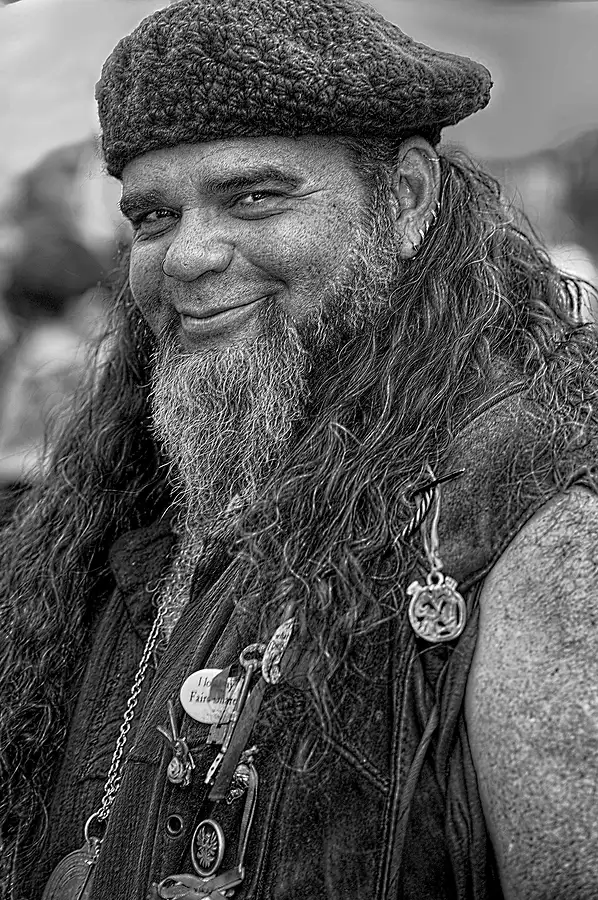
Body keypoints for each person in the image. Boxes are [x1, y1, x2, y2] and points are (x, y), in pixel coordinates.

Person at [1, 0, 598, 898]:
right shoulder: (131, 492)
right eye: (154, 216)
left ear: (406, 199)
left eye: (254, 196)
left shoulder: (532, 522)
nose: (188, 256)